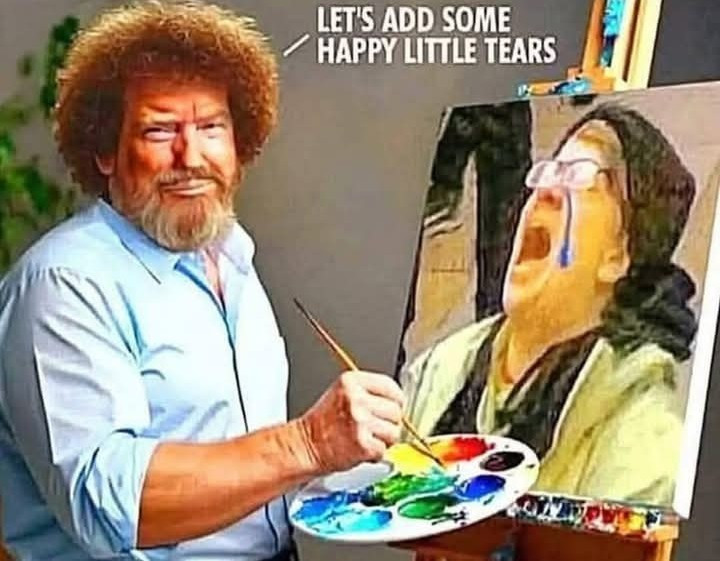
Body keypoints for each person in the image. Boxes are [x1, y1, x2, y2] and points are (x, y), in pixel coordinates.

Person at [0, 2, 405, 560]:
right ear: (105, 152)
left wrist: (361, 465)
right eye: (160, 130)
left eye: (211, 127)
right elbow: (106, 505)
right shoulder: (63, 284)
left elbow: (239, 460)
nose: (190, 156)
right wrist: (309, 442)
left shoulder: (229, 254)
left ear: (239, 143)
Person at [402, 104, 697, 506]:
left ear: (620, 253)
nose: (546, 191)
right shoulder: (439, 372)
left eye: (578, 175)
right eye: (548, 171)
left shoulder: (642, 439)